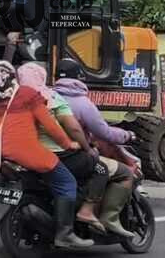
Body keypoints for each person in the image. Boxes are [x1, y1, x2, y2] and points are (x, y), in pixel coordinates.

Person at [0, 60, 93, 248]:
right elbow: (51, 126)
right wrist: (68, 144)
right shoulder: (29, 95)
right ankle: (65, 233)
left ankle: (3, 218)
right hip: (26, 151)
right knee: (67, 182)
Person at [17, 62, 109, 234]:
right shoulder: (50, 98)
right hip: (54, 155)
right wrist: (87, 148)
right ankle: (79, 217)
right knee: (99, 169)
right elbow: (74, 129)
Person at [54, 58, 138, 238]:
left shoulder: (48, 97)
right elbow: (104, 133)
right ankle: (108, 217)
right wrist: (127, 135)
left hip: (49, 154)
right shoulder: (82, 103)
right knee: (124, 173)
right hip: (74, 155)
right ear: (79, 77)